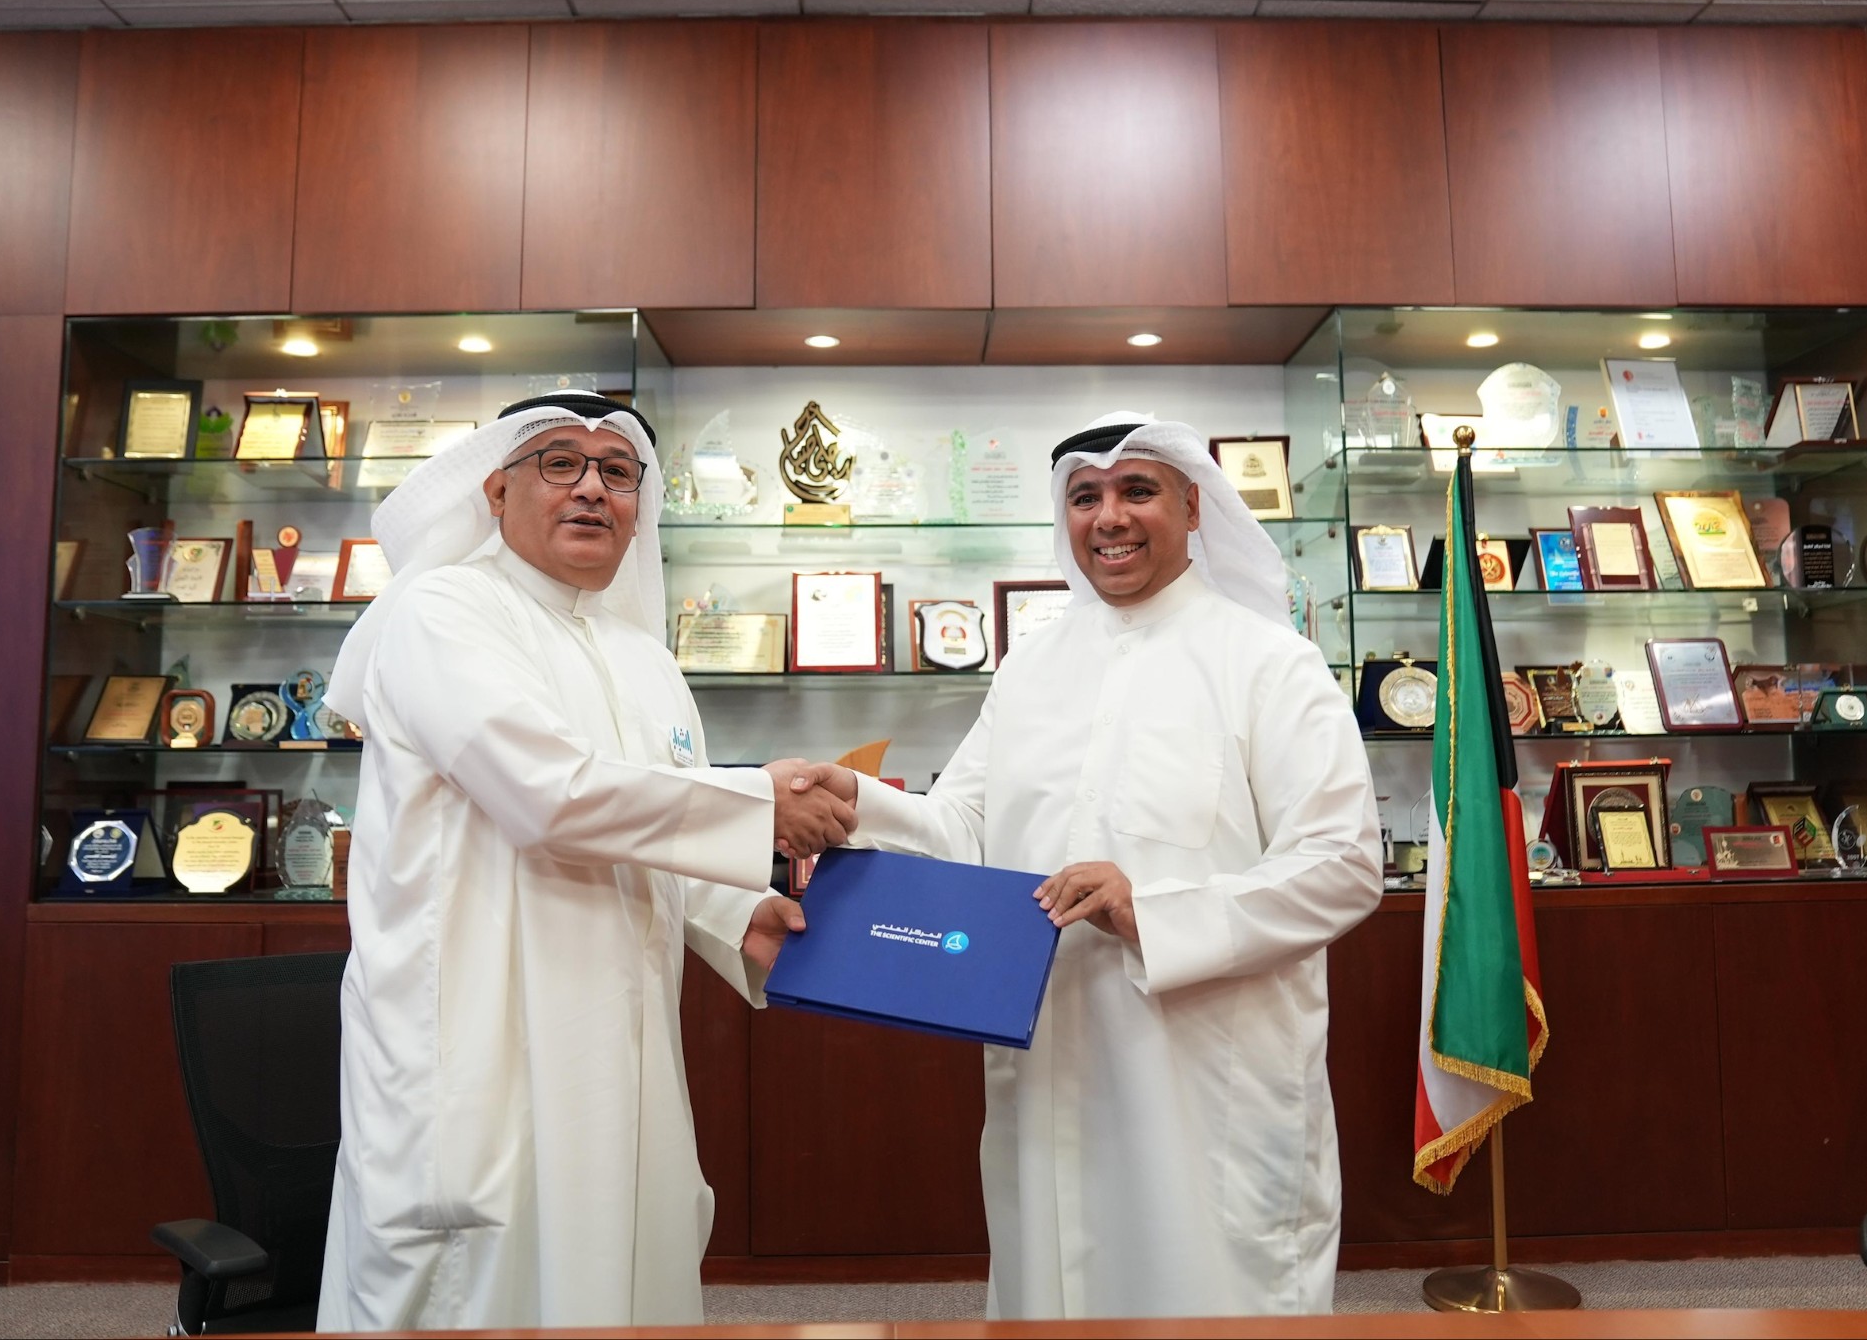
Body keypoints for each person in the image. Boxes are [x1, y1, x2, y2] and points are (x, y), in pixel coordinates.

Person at [821, 411, 1383, 1319]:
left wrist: (1150, 912)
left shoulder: (1268, 663)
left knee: (1208, 1292)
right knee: (1055, 1286)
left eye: (1137, 491)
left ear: (1193, 507)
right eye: (1086, 497)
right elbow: (963, 826)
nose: (1110, 517)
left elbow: (1343, 862)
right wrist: (853, 802)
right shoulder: (1031, 667)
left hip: (1205, 1069)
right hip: (1048, 1046)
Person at [315, 392, 853, 1332]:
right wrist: (762, 804)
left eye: (617, 471)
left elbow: (653, 830)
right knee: (482, 1286)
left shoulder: (644, 657)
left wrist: (738, 916)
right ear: (497, 492)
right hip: (482, 1044)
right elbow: (548, 795)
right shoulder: (444, 611)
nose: (592, 489)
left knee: (626, 1261)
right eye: (561, 463)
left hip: (620, 1040)